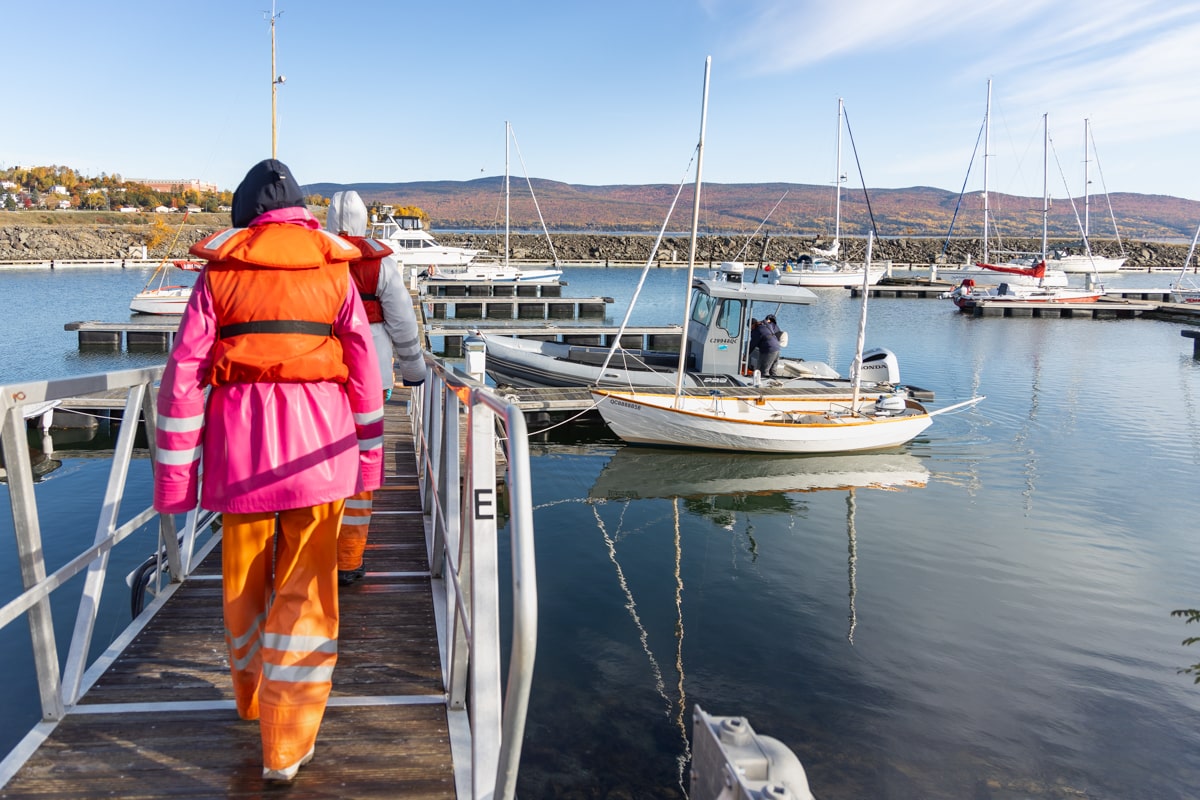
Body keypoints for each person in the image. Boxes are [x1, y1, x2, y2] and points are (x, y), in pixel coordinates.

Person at [152, 159, 384, 783]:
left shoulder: (218, 274)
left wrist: (176, 480)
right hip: (323, 455)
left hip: (240, 458)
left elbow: (182, 380)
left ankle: (251, 700)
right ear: (302, 211)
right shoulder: (335, 273)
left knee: (243, 587)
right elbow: (364, 373)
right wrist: (369, 461)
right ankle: (285, 746)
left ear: (245, 214)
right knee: (307, 591)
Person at [326, 190, 426, 586]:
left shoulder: (320, 258)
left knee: (325, 460)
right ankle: (349, 558)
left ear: (330, 221)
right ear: (366, 221)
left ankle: (315, 550)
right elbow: (402, 321)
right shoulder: (382, 264)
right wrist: (413, 368)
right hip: (373, 376)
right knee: (362, 464)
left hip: (326, 372)